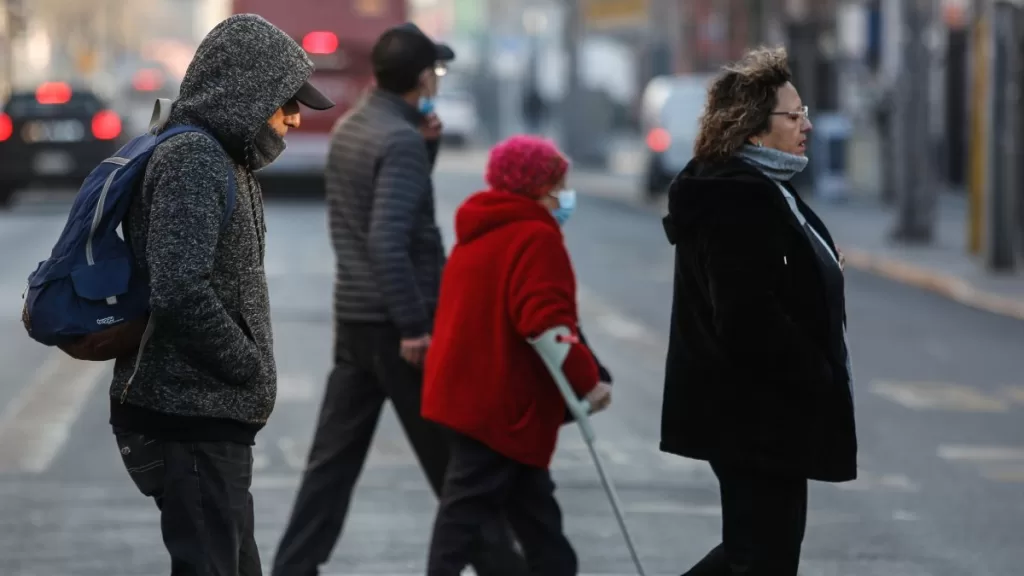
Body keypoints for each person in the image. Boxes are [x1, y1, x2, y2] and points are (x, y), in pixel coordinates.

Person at [271, 23, 526, 576]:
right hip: (396, 329)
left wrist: (426, 149)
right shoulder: (399, 141)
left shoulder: (356, 127)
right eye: (434, 70)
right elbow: (390, 240)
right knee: (456, 468)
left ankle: (294, 566)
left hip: (355, 321)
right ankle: (507, 567)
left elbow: (379, 216)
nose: (437, 77)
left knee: (330, 468)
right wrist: (415, 326)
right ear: (419, 77)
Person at [109, 14, 334, 576]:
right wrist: (246, 365)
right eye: (286, 102)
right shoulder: (194, 160)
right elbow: (181, 289)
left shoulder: (224, 158)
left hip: (212, 414)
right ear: (246, 91)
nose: (295, 117)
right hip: (192, 411)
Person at [659, 47, 857, 576]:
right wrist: (814, 372)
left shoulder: (765, 189)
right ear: (751, 130)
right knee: (761, 556)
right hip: (755, 415)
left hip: (763, 415)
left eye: (805, 112)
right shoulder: (739, 200)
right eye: (792, 116)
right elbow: (746, 316)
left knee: (758, 553)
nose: (806, 125)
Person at [421, 134, 613, 576]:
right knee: (465, 521)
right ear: (539, 187)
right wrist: (589, 383)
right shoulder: (535, 237)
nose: (565, 196)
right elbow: (549, 325)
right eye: (560, 185)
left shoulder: (479, 232)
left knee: (536, 522)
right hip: (501, 406)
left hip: (467, 396)